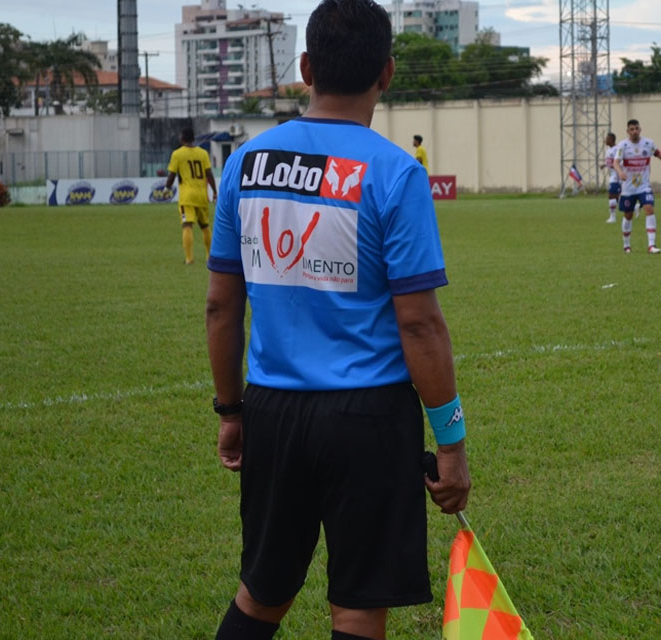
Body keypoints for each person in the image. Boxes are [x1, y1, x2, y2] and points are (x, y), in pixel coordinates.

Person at [205, 1, 471, 639]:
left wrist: (232, 411)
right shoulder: (395, 172)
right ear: (388, 73)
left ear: (305, 68)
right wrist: (452, 444)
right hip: (369, 418)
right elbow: (420, 325)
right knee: (356, 608)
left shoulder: (245, 164)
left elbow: (220, 306)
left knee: (260, 595)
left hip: (272, 412)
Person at [614, 119, 661, 254]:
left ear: (640, 130)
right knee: (628, 215)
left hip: (644, 186)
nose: (635, 131)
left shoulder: (648, 144)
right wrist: (620, 172)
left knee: (649, 209)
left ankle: (651, 245)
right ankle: (626, 245)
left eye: (636, 129)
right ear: (628, 131)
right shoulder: (623, 145)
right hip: (628, 188)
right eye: (632, 129)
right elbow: (615, 162)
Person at [164, 127, 218, 264]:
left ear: (182, 138)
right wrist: (214, 191)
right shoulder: (203, 153)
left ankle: (189, 259)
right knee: (205, 226)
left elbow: (172, 175)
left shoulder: (177, 154)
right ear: (193, 138)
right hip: (201, 195)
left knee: (187, 225)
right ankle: (209, 257)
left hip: (187, 197)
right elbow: (209, 174)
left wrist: (166, 188)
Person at [600, 133, 620, 223]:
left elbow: (619, 162)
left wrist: (612, 165)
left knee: (611, 195)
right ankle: (635, 207)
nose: (605, 140)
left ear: (612, 140)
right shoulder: (609, 149)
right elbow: (610, 161)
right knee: (617, 198)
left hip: (617, 176)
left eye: (607, 139)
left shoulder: (617, 149)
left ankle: (612, 217)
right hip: (612, 175)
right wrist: (604, 165)